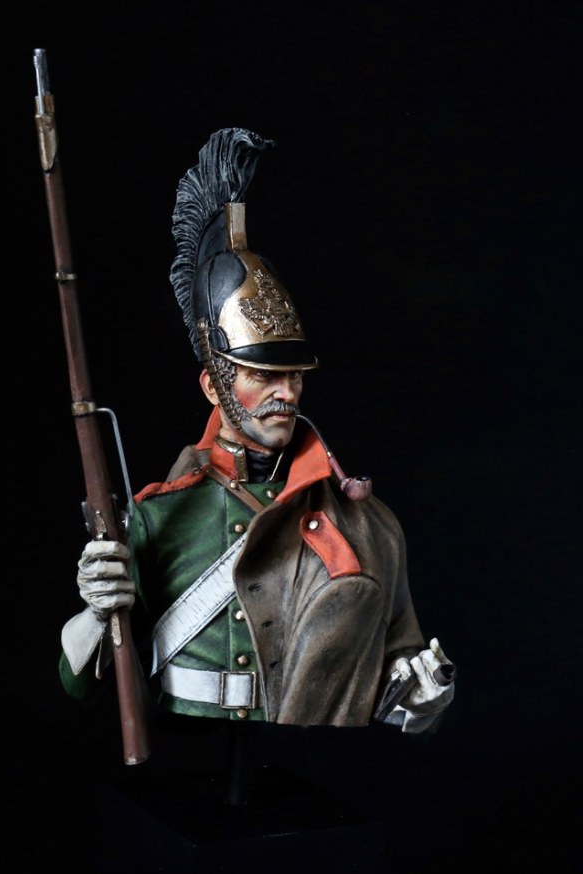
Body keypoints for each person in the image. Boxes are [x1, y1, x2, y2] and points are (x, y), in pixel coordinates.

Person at [59, 128, 455, 735]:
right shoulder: (157, 518)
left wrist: (422, 698)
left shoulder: (369, 523)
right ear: (213, 386)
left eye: (294, 377)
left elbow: (396, 667)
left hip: (301, 749)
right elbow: (78, 684)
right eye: (264, 376)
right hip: (191, 742)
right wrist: (95, 610)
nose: (287, 394)